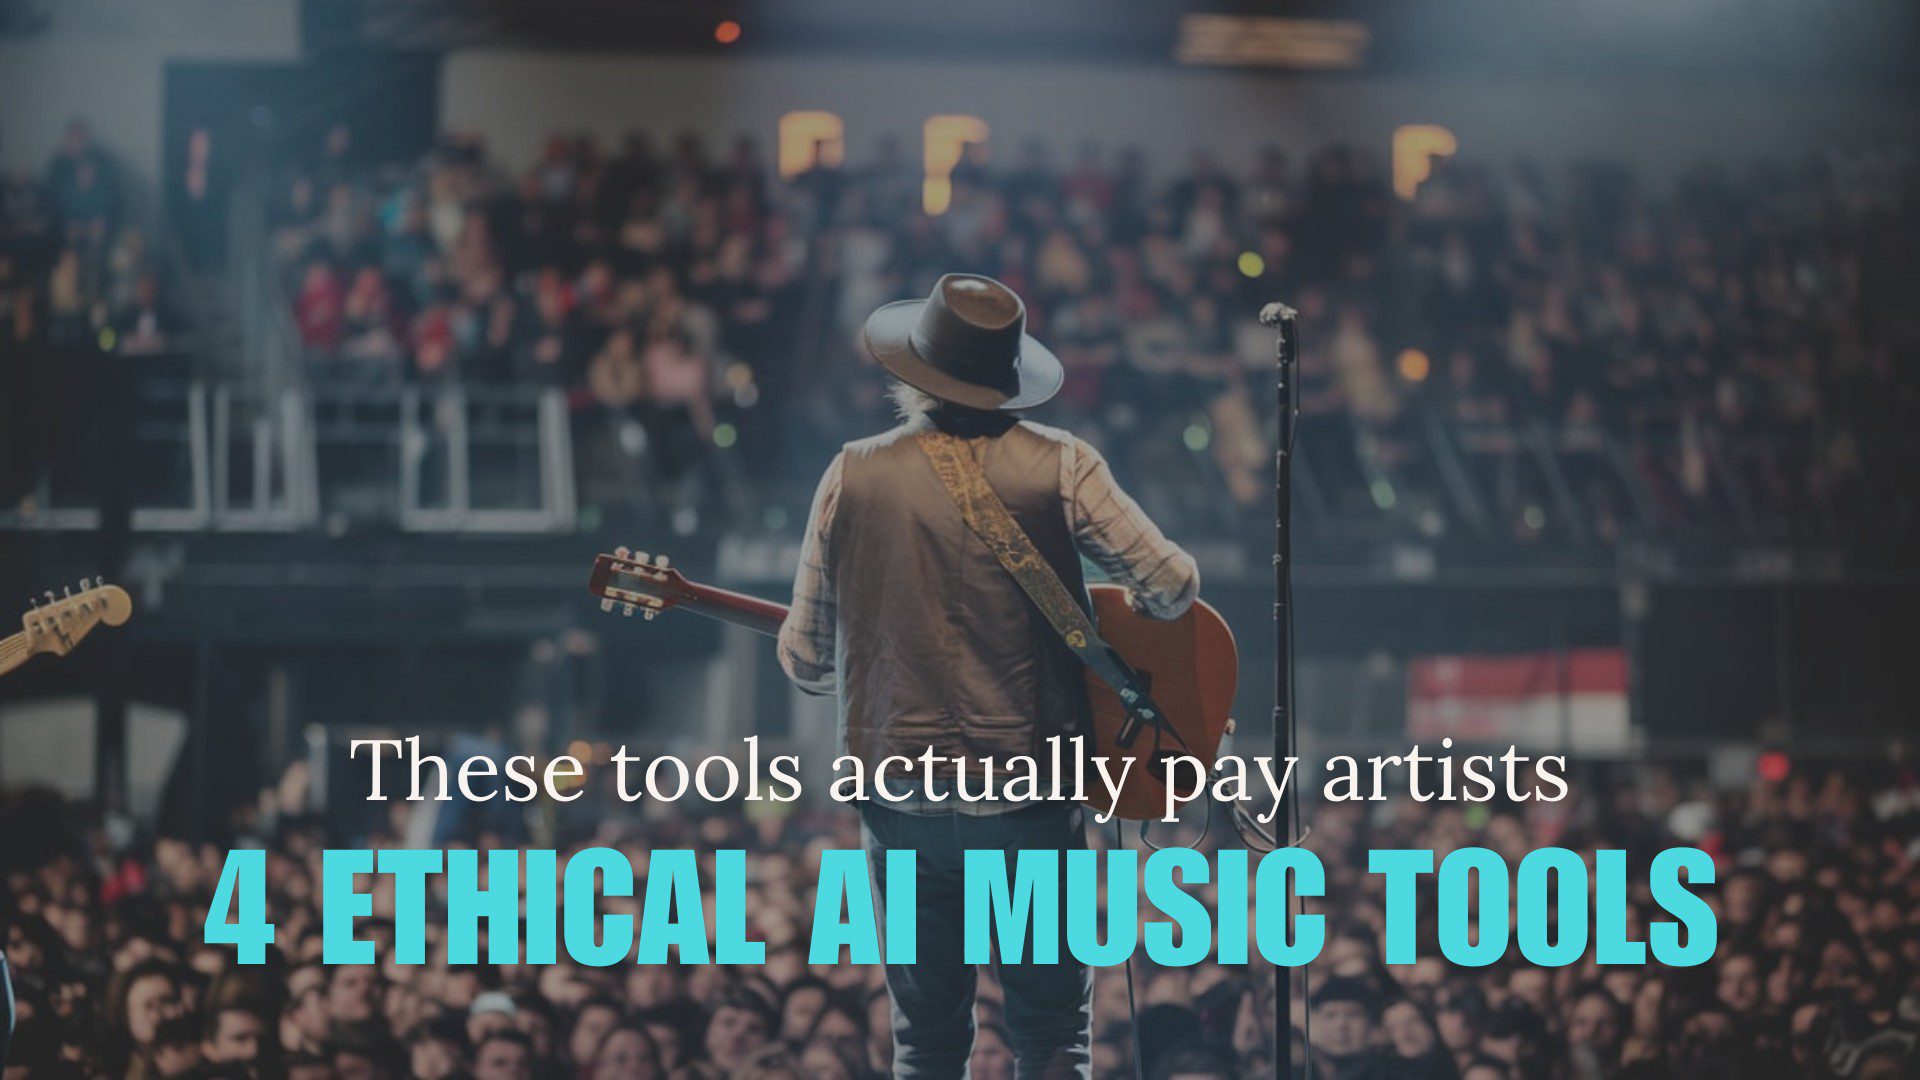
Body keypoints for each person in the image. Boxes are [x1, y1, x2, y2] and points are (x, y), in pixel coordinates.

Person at [778, 273, 1200, 1078]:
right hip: (1032, 798)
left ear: (913, 375)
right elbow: (1173, 585)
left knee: (925, 1043)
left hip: (900, 803)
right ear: (1010, 385)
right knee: (1050, 1037)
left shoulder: (851, 473)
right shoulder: (1063, 465)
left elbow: (806, 659)